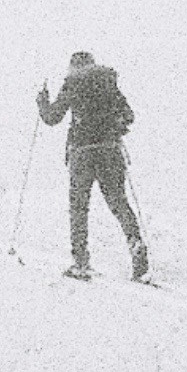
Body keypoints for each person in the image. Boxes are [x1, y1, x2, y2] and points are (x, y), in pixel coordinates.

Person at [36, 50, 150, 281]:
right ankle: (137, 250)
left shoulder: (72, 85)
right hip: (110, 151)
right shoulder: (108, 85)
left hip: (82, 153)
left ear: (73, 68)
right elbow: (128, 115)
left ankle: (80, 261)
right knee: (119, 202)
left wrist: (42, 101)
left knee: (79, 208)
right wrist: (115, 128)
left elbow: (52, 118)